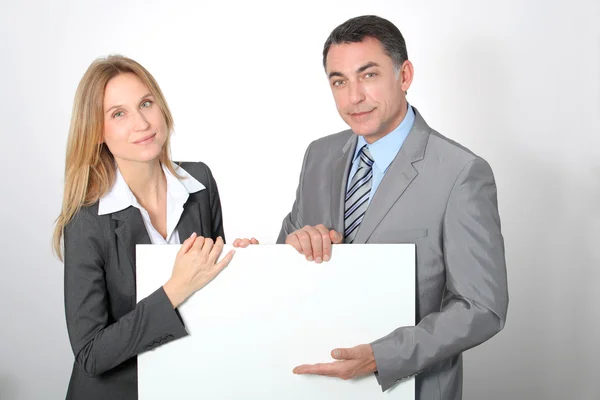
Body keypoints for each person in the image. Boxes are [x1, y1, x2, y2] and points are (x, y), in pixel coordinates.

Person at [275, 15, 509, 400]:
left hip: (410, 387)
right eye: (339, 81)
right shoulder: (318, 155)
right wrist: (295, 243)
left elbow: (483, 307)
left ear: (404, 75)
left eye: (368, 75)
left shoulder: (461, 172)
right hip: (315, 384)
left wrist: (382, 357)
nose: (354, 97)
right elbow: (284, 255)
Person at [52, 55, 235, 400]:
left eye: (146, 104)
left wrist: (238, 263)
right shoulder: (86, 219)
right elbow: (90, 354)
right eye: (118, 114)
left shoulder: (200, 181)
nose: (141, 123)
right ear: (96, 132)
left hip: (190, 383)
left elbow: (209, 295)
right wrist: (174, 289)